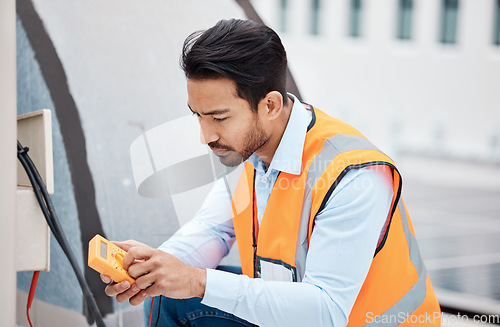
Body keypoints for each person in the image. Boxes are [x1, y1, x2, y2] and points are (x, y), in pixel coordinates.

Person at [101, 19, 441, 326]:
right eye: (198, 116)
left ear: (271, 105)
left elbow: (327, 311)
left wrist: (195, 281)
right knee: (169, 295)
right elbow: (212, 230)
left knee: (194, 288)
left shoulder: (353, 176)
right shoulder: (245, 152)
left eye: (219, 118)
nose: (205, 137)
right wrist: (157, 268)